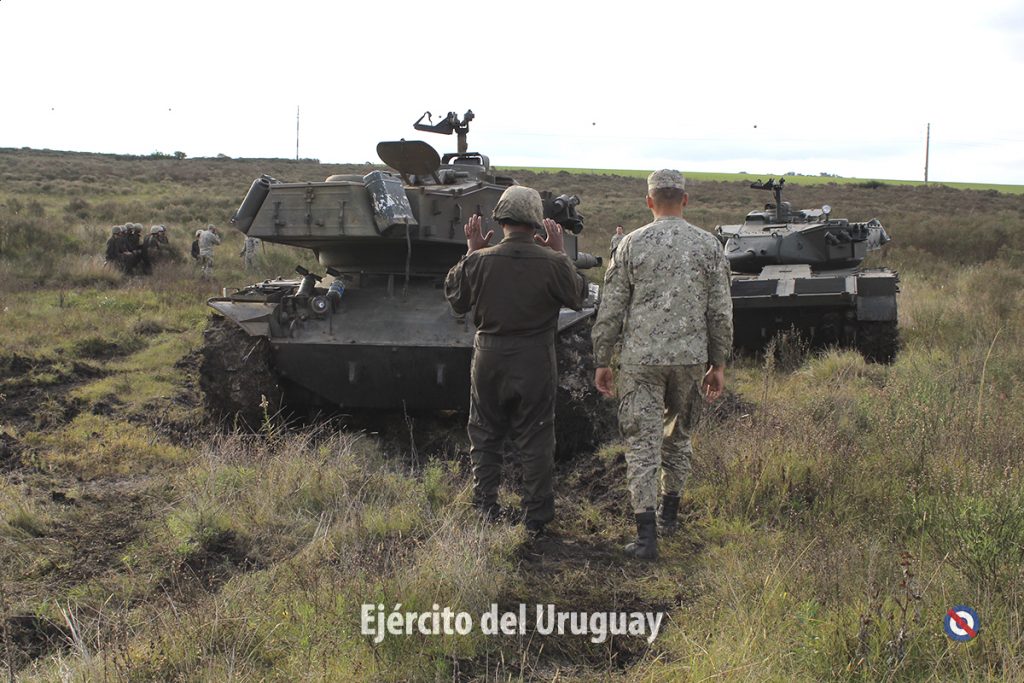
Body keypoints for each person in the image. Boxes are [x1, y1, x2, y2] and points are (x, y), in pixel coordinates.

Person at [591, 169, 733, 560]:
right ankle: (670, 516)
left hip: (641, 361)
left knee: (643, 444)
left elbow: (611, 308)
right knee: (678, 437)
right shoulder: (709, 246)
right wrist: (718, 363)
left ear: (649, 201)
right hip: (690, 359)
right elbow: (721, 312)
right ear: (684, 200)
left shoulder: (630, 244)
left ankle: (646, 538)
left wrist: (602, 358)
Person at [444, 186, 586, 537]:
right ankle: (536, 516)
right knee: (536, 435)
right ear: (537, 221)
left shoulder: (479, 260)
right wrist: (560, 253)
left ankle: (485, 506)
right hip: (534, 357)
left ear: (501, 219)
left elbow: (456, 299)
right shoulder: (553, 262)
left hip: (489, 356)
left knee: (484, 431)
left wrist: (471, 251)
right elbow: (578, 296)